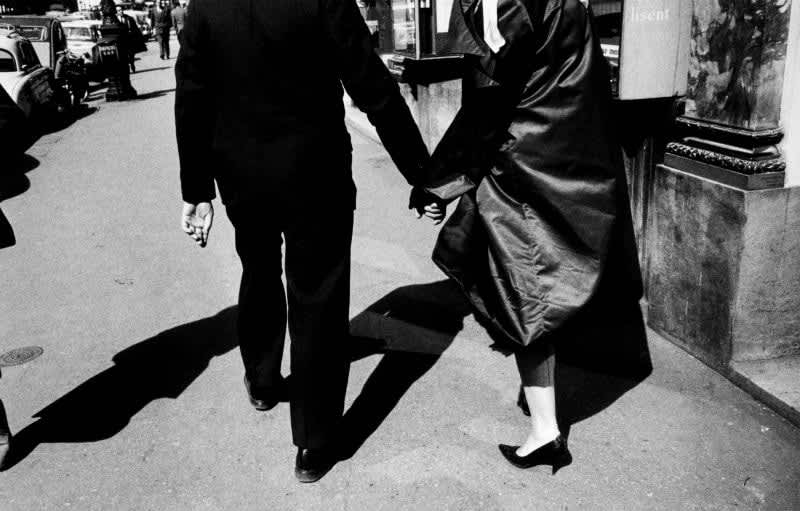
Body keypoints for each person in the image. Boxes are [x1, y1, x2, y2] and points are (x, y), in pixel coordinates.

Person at [174, 0, 430, 483]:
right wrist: (420, 171)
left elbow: (191, 94)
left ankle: (264, 379)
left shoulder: (206, 4)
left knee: (259, 269)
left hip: (242, 173)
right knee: (319, 298)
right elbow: (371, 83)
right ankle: (313, 441)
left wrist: (196, 190)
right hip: (317, 172)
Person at [411, 0, 643, 472]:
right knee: (541, 285)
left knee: (522, 290)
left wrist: (442, 180)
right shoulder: (569, 2)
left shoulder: (505, 5)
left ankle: (546, 431)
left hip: (521, 166)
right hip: (572, 158)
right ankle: (545, 424)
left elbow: (488, 104)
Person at [97, 0, 137, 100]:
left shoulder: (106, 18)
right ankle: (121, 88)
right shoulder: (110, 14)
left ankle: (117, 88)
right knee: (116, 67)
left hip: (117, 44)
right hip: (118, 46)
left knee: (115, 67)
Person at [116, 5, 147, 73]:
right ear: (116, 12)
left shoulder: (129, 18)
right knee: (123, 55)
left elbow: (135, 28)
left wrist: (139, 38)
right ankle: (127, 66)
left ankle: (132, 64)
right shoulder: (115, 20)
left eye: (121, 10)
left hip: (129, 39)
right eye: (118, 10)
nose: (120, 11)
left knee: (131, 54)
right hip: (121, 40)